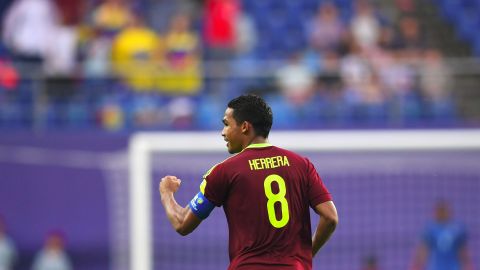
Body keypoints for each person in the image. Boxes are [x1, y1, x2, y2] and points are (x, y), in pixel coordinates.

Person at [159, 94, 338, 269]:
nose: (223, 132)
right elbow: (330, 217)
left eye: (226, 124)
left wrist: (167, 193)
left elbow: (182, 223)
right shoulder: (301, 164)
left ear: (244, 127)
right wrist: (307, 254)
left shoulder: (225, 171)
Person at [411, 201, 474, 270]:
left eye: (444, 211)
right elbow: (424, 250)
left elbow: (462, 250)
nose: (442, 213)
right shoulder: (430, 229)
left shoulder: (458, 229)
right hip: (435, 267)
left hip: (454, 267)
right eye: (439, 211)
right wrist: (417, 266)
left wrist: (468, 266)